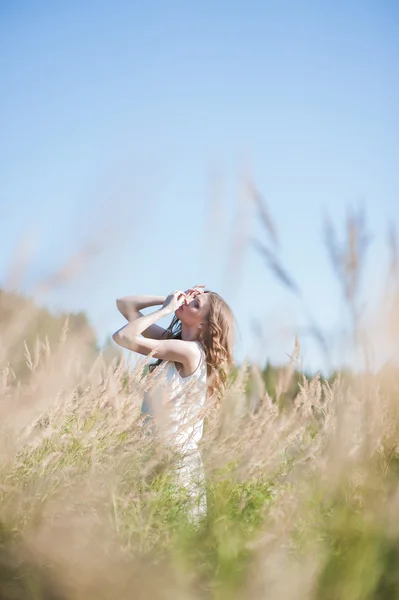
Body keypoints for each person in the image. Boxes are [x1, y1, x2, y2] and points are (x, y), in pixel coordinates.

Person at [112, 285, 234, 519]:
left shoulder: (191, 352)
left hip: (175, 465)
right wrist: (172, 299)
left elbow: (123, 336)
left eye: (196, 304)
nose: (188, 302)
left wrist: (167, 309)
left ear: (202, 325)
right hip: (154, 459)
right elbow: (124, 304)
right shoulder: (172, 342)